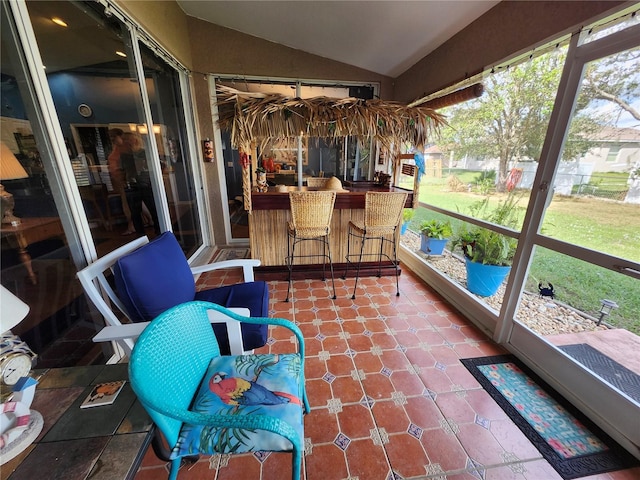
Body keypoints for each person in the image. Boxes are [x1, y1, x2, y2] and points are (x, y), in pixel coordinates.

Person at [121, 132, 160, 236]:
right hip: (132, 186)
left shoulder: (146, 153)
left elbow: (153, 168)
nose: (129, 142)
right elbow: (123, 171)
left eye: (131, 140)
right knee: (135, 212)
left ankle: (159, 232)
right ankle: (140, 236)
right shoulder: (124, 156)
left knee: (153, 208)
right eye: (127, 141)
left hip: (146, 184)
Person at [108, 128, 135, 235]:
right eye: (111, 138)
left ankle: (132, 225)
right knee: (134, 202)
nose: (112, 140)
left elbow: (125, 165)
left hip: (126, 178)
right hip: (121, 178)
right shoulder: (118, 149)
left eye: (114, 137)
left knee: (128, 203)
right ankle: (141, 222)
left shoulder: (125, 149)